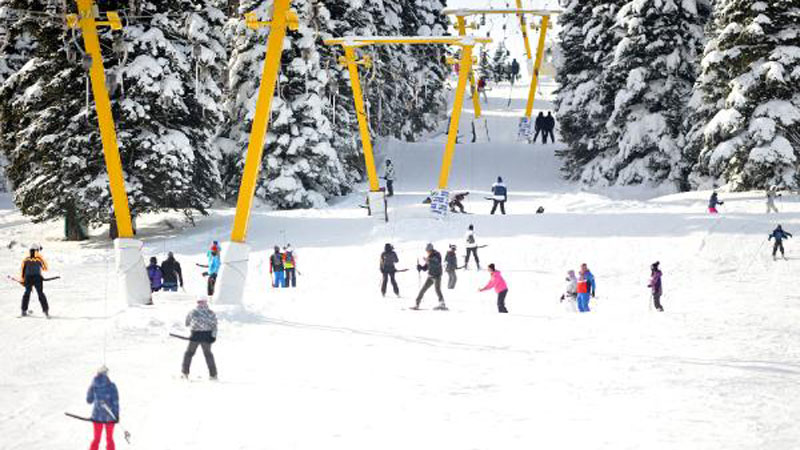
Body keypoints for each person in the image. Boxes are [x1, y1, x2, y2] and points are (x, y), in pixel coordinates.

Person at [182, 298, 218, 380]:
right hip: (207, 336)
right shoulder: (211, 313)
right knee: (208, 354)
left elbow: (187, 323)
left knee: (189, 353)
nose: (201, 304)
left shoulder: (193, 312)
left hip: (195, 335)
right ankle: (213, 374)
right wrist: (213, 336)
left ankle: (185, 372)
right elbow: (215, 325)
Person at [86, 365, 119, 450]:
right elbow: (115, 402)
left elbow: (89, 400)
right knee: (109, 439)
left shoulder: (94, 385)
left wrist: (91, 388)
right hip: (110, 416)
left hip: (97, 416)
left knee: (96, 439)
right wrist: (117, 415)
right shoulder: (112, 386)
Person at [412, 243, 447, 310]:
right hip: (430, 276)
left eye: (428, 250)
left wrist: (428, 260)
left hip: (437, 276)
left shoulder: (437, 254)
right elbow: (425, 268)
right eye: (426, 251)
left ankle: (442, 303)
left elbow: (437, 263)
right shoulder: (429, 256)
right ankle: (417, 304)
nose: (427, 252)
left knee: (437, 289)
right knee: (423, 290)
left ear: (431, 249)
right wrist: (420, 267)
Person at [20, 246, 49, 318]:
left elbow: (23, 271)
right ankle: (45, 311)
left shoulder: (26, 260)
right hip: (37, 278)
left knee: (27, 293)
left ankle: (23, 310)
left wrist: (23, 280)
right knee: (40, 293)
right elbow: (45, 268)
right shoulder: (39, 259)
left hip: (28, 278)